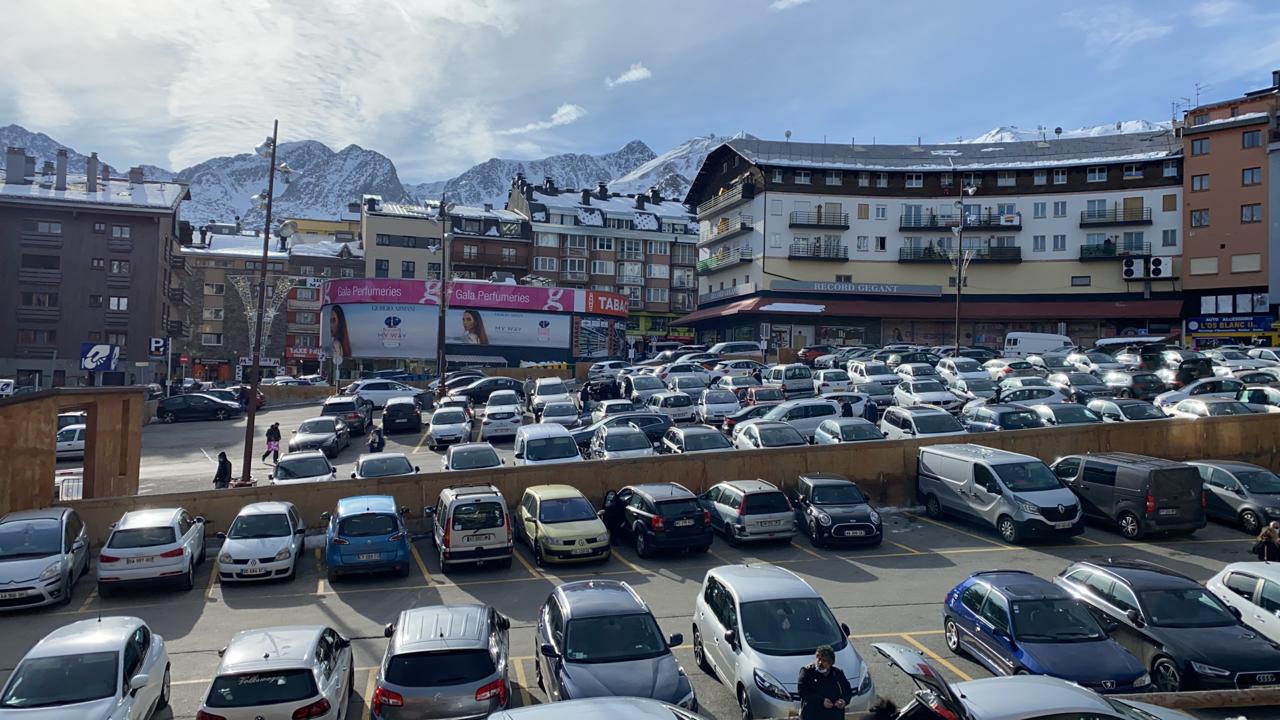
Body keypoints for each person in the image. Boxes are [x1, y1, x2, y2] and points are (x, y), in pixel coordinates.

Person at [797, 644, 852, 720]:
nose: (820, 663)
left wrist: (843, 700)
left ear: (831, 662)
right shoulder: (807, 672)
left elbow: (847, 690)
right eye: (819, 659)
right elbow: (802, 691)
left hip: (833, 715)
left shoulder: (837, 673)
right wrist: (821, 701)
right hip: (812, 715)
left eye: (824, 660)